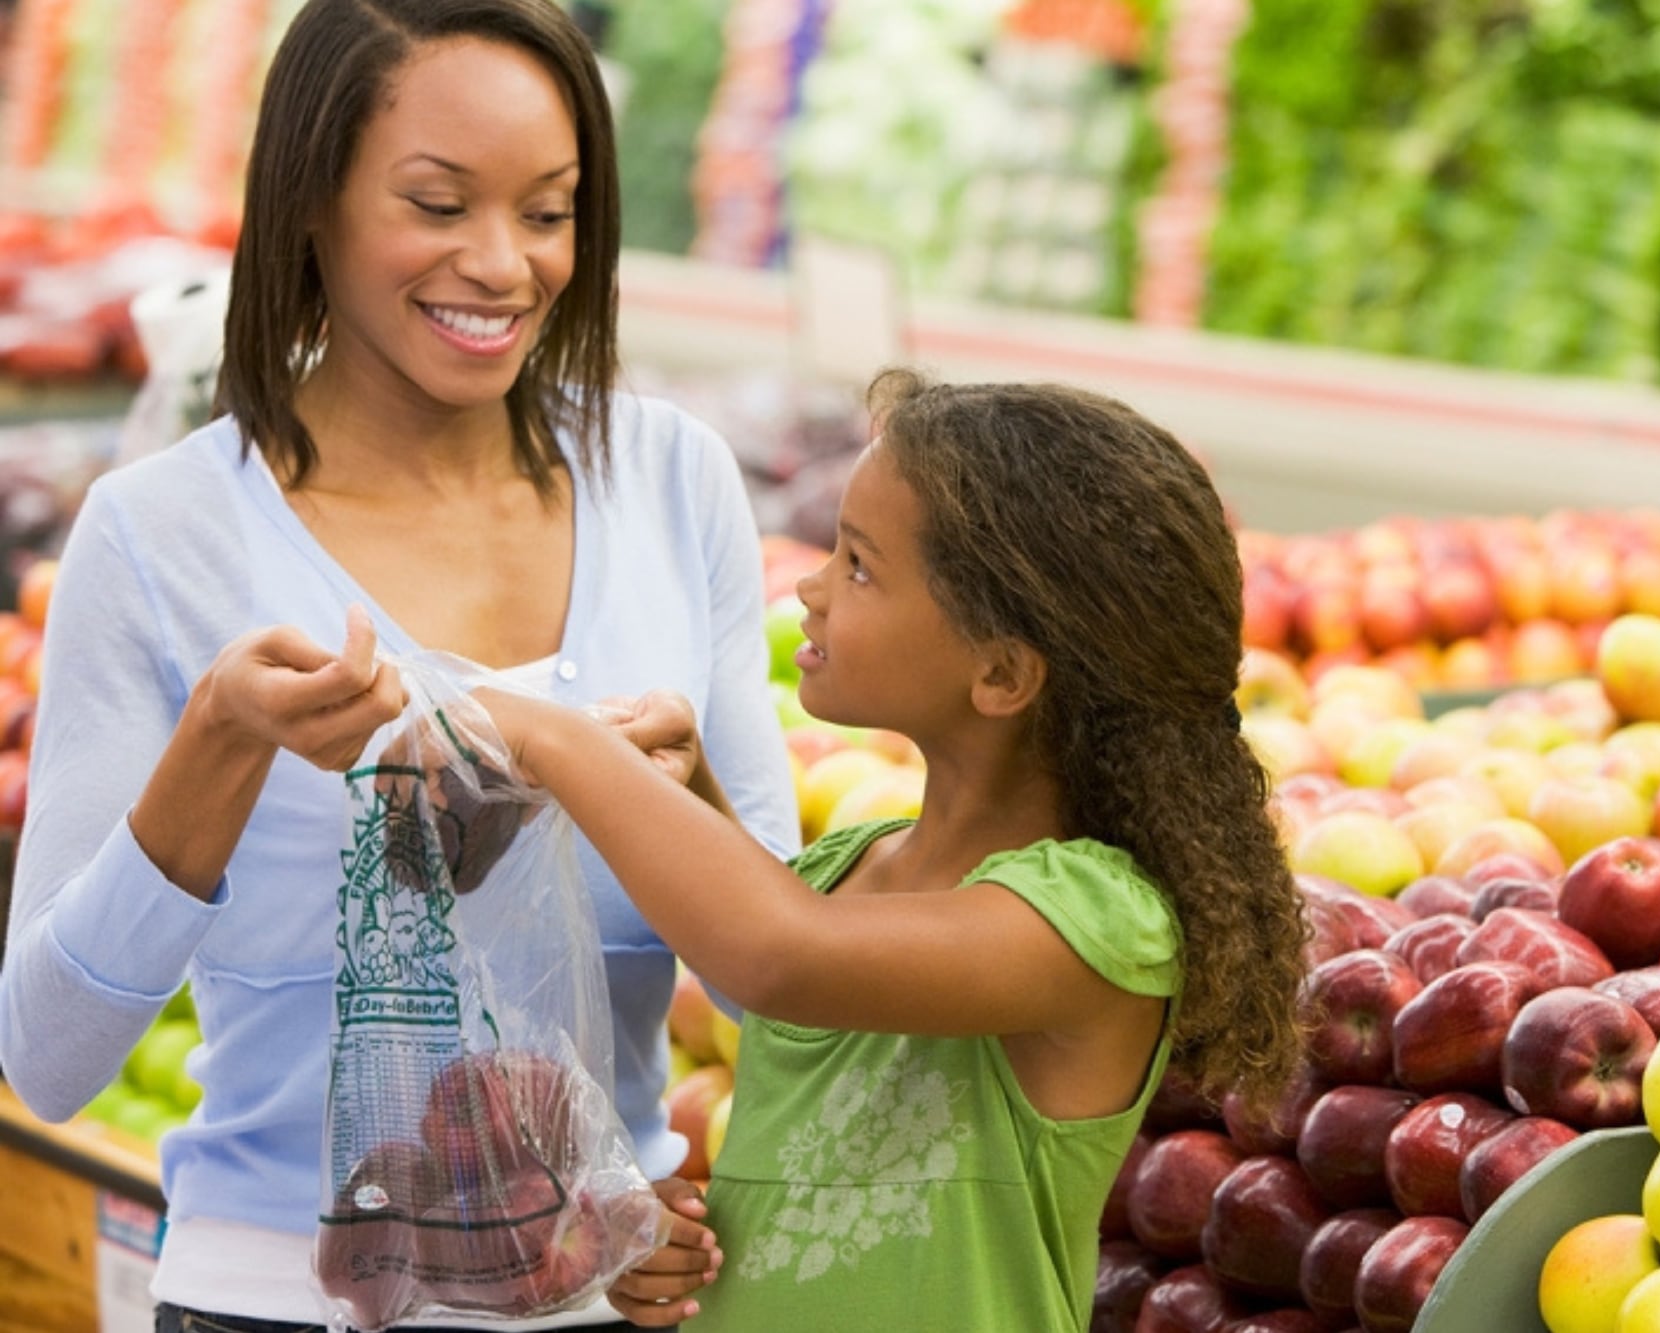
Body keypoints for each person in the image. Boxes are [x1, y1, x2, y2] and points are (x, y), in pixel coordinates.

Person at [0, 1, 797, 1328]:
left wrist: (687, 796)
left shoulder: (671, 481)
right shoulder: (164, 533)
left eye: (548, 213)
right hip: (276, 1302)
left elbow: (790, 996)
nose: (502, 264)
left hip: (606, 1303)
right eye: (437, 205)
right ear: (311, 200)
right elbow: (47, 1057)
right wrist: (220, 743)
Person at [472, 368, 1310, 1330]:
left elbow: (778, 956)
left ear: (1002, 672)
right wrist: (666, 1241)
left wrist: (552, 736)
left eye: (860, 566)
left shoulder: (1098, 920)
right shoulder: (852, 866)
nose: (811, 588)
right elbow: (778, 983)